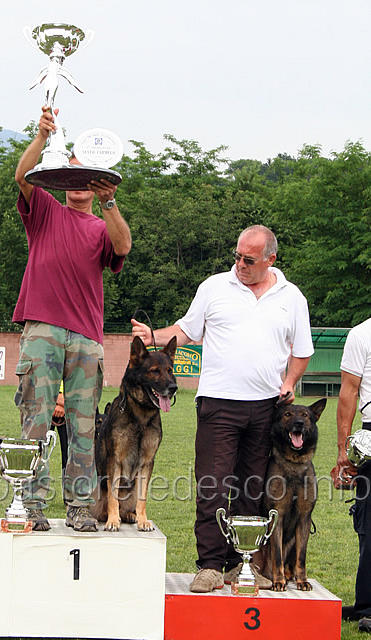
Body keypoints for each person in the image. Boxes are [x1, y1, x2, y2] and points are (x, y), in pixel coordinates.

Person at [131, 225, 313, 593]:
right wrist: (155, 338)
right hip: (218, 403)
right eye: (237, 256)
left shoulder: (292, 297)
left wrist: (290, 382)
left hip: (267, 408)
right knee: (213, 486)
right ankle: (211, 566)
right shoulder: (214, 286)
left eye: (249, 260)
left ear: (270, 260)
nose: (239, 264)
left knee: (252, 488)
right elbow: (185, 329)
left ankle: (241, 564)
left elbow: (302, 350)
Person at [13, 105, 131, 533]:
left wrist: (109, 202)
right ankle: (31, 504)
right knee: (36, 421)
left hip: (86, 336)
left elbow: (123, 246)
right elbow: (21, 177)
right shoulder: (44, 209)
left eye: (88, 176)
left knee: (85, 426)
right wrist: (41, 138)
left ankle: (80, 505)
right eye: (73, 174)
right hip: (42, 328)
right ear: (64, 179)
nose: (79, 183)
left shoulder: (101, 226)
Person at [335, 318, 371, 632]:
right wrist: (343, 450)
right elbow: (349, 392)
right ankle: (366, 604)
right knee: (367, 523)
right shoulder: (361, 334)